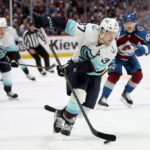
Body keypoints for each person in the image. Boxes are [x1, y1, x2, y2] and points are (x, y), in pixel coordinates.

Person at [34, 16, 119, 136]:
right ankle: (69, 120)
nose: (112, 37)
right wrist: (47, 21)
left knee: (84, 111)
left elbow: (91, 66)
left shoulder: (111, 49)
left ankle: (62, 114)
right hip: (77, 66)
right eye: (110, 33)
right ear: (101, 31)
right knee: (78, 96)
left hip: (94, 74)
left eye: (115, 33)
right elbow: (68, 24)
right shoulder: (89, 30)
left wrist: (69, 68)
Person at [97, 12, 150, 109]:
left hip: (129, 56)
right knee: (115, 75)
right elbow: (106, 42)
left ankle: (125, 94)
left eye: (131, 23)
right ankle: (102, 99)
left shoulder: (141, 31)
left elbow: (149, 43)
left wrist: (145, 49)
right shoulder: (118, 31)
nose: (129, 25)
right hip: (115, 55)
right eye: (127, 23)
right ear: (124, 23)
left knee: (138, 75)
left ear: (135, 22)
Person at [0, 17, 19, 99]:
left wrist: (13, 59)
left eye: (3, 28)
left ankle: (8, 91)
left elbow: (12, 51)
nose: (2, 31)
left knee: (7, 74)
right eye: (0, 28)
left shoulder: (8, 37)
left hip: (2, 58)